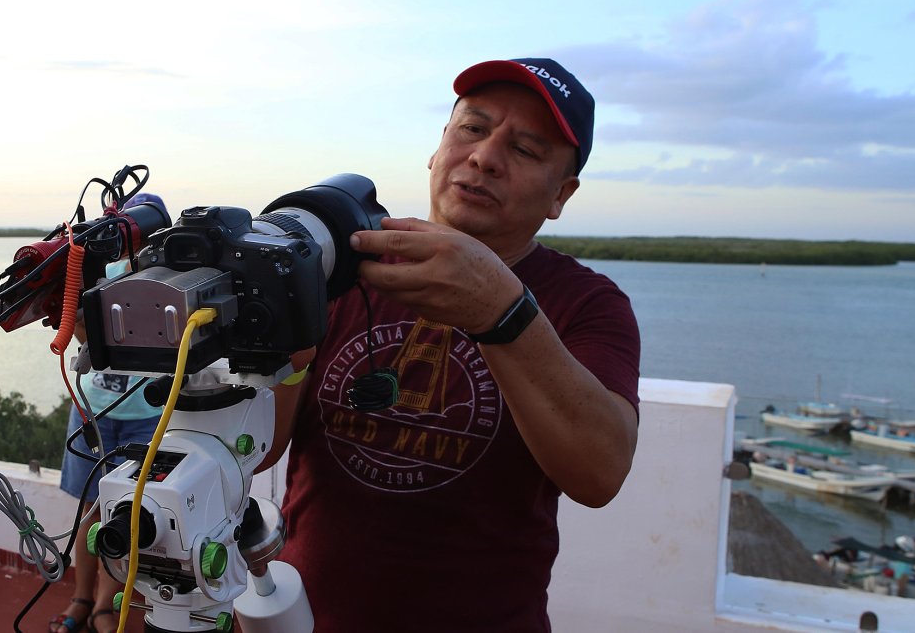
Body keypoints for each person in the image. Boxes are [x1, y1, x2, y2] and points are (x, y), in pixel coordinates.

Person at [267, 57, 641, 632]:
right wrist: (286, 335)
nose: (485, 157)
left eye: (525, 149)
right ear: (438, 148)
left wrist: (503, 311)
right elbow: (263, 448)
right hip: (306, 618)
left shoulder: (587, 303)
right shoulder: (344, 266)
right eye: (472, 127)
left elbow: (600, 473)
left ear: (560, 195)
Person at [51, 194, 167, 633]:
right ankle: (81, 599)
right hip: (92, 411)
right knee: (88, 513)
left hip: (143, 416)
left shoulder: (166, 277)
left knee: (125, 515)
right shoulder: (99, 270)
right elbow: (81, 336)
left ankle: (105, 605)